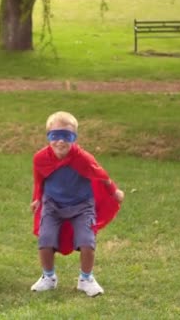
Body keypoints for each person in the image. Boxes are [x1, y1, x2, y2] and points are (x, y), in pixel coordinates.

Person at [30, 111, 125, 297]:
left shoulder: (83, 158)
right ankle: (48, 277)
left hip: (82, 206)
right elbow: (39, 180)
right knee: (45, 240)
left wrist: (114, 192)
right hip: (53, 205)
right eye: (55, 135)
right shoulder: (40, 158)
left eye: (67, 136)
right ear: (48, 136)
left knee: (87, 242)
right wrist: (36, 198)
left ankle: (86, 279)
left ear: (75, 137)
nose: (61, 141)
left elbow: (102, 176)